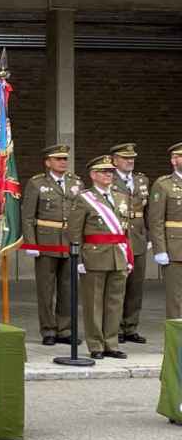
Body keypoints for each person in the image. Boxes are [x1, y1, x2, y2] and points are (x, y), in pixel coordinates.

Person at [68, 155, 132, 361]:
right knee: (93, 302)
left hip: (118, 254)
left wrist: (128, 256)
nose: (108, 175)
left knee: (115, 302)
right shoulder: (84, 198)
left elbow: (126, 230)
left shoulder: (121, 196)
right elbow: (74, 231)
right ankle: (95, 344)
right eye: (104, 171)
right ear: (93, 175)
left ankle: (111, 343)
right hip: (94, 255)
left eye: (111, 171)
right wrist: (77, 259)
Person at [21, 144, 81, 346]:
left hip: (69, 242)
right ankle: (48, 330)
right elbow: (28, 216)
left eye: (64, 158)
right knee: (46, 289)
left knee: (68, 288)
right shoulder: (37, 183)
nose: (63, 162)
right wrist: (31, 243)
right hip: (46, 242)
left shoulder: (76, 182)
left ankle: (65, 329)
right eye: (58, 159)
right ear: (48, 162)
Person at [108, 143, 150, 345]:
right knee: (118, 286)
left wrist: (148, 236)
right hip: (118, 237)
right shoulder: (109, 178)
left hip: (138, 237)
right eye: (125, 158)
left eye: (132, 158)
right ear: (114, 160)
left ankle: (131, 326)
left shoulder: (141, 179)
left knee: (136, 286)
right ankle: (115, 329)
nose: (130, 161)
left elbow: (149, 210)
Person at [148, 141, 182, 323]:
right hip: (176, 247)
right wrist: (160, 249)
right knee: (176, 298)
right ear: (174, 160)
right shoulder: (164, 185)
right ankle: (177, 339)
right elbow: (156, 220)